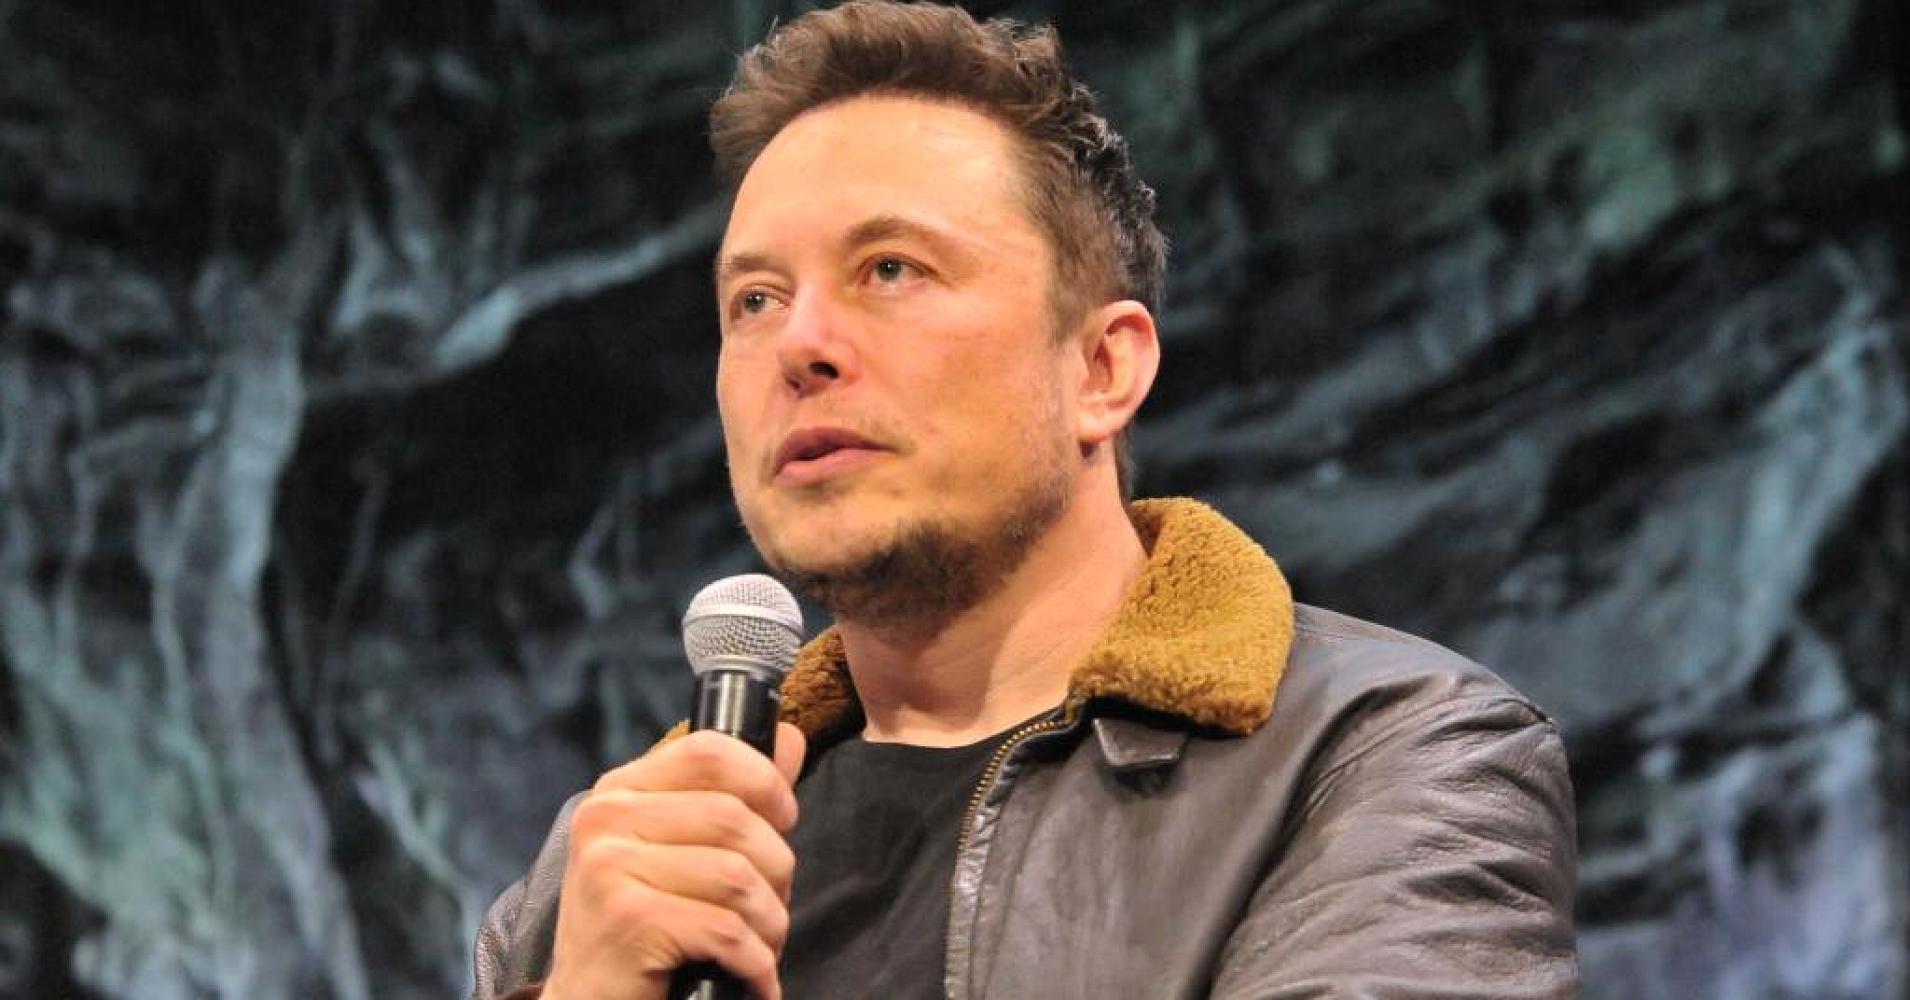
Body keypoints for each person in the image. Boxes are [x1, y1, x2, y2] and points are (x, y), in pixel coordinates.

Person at [472, 3, 1578, 998]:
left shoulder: (1383, 759)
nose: (799, 344)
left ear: (1100, 369)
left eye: (890, 269)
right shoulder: (609, 867)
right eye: (754, 299)